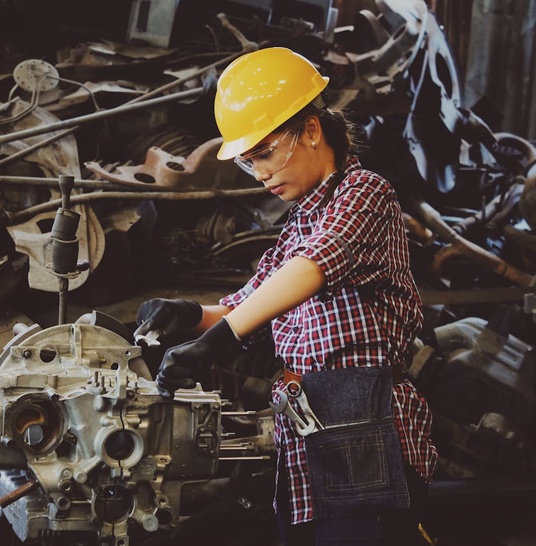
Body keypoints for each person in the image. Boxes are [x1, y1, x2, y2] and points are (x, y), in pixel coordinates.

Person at [134, 47, 438, 546]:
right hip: (306, 433)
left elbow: (313, 267)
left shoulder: (364, 193)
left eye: (265, 153)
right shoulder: (298, 225)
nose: (259, 174)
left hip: (365, 427)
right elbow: (246, 305)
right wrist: (188, 315)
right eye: (249, 161)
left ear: (312, 131)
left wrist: (221, 340)